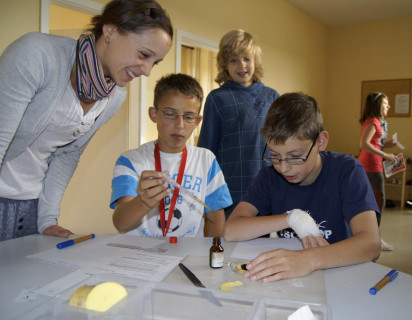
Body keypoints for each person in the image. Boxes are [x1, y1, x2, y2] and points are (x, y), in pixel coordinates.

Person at [0, 0, 173, 241]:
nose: (147, 71)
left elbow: (67, 155)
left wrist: (47, 219)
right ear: (110, 31)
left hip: (29, 206)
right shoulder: (37, 55)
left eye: (155, 62)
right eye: (144, 55)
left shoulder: (114, 96)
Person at [223, 92, 381, 282]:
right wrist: (292, 219)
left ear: (321, 142)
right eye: (274, 155)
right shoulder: (269, 177)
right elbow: (231, 231)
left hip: (340, 275)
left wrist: (309, 260)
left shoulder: (347, 171)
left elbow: (371, 244)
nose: (283, 167)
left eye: (295, 156)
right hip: (293, 277)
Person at [110, 73, 232, 238]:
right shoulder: (131, 161)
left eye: (189, 117)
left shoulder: (206, 160)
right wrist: (143, 202)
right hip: (140, 258)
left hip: (186, 258)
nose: (179, 125)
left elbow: (216, 222)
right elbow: (121, 223)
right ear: (154, 114)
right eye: (169, 113)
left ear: (197, 121)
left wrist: (208, 257)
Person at [197, 29, 279, 217]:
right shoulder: (217, 99)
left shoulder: (272, 97)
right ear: (224, 65)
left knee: (262, 242)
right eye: (234, 60)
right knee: (229, 241)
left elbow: (282, 144)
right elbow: (207, 151)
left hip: (267, 187)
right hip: (230, 191)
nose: (241, 65)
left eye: (246, 59)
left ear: (255, 61)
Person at [358, 92, 397, 251]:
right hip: (371, 167)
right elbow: (364, 144)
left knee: (373, 202)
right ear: (378, 105)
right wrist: (385, 154)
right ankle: (376, 239)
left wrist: (386, 145)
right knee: (378, 203)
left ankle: (370, 236)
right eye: (386, 103)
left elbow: (374, 143)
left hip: (373, 166)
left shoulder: (374, 122)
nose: (388, 106)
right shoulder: (373, 122)